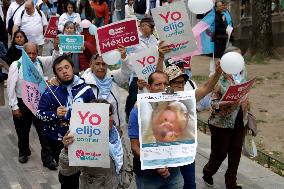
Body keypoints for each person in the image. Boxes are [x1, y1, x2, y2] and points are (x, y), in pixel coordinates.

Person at [36, 55, 96, 189]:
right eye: (59, 69)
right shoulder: (51, 91)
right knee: (67, 175)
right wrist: (54, 114)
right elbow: (39, 114)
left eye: (66, 67)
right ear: (56, 74)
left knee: (85, 171)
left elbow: (95, 111)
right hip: (58, 140)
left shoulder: (85, 89)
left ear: (72, 68)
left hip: (83, 137)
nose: (64, 71)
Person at [7, 41, 60, 169]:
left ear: (37, 53)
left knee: (43, 131)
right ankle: (23, 152)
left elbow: (54, 59)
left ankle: (48, 159)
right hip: (22, 103)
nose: (31, 56)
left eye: (34, 53)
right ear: (24, 52)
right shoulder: (16, 65)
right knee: (22, 130)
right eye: (28, 53)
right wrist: (14, 107)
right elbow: (10, 87)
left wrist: (56, 48)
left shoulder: (40, 62)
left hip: (39, 103)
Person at [202, 46, 249, 189]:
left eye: (240, 57)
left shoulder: (243, 72)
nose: (239, 61)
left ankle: (231, 183)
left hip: (240, 119)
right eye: (235, 57)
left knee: (235, 153)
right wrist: (226, 102)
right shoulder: (217, 78)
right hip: (220, 123)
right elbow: (212, 104)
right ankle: (208, 172)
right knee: (220, 153)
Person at [128, 71, 184, 189]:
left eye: (166, 84)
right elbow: (135, 147)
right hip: (148, 177)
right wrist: (156, 165)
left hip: (174, 174)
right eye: (158, 84)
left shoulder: (177, 108)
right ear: (149, 87)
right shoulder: (138, 110)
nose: (162, 88)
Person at [59, 99, 124, 188]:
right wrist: (67, 150)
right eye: (100, 116)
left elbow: (125, 158)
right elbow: (67, 171)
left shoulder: (117, 133)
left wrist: (126, 178)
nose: (105, 119)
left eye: (108, 115)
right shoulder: (82, 138)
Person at [81, 46, 131, 129]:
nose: (101, 67)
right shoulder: (83, 82)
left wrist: (124, 57)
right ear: (91, 65)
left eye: (104, 64)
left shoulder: (113, 77)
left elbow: (126, 72)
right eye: (97, 64)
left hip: (115, 127)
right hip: (93, 128)